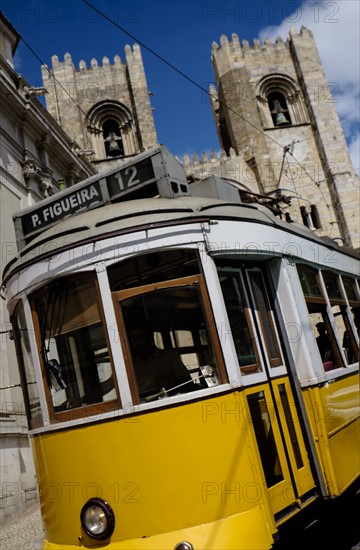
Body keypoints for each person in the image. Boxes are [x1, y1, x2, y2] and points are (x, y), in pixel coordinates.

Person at [128, 324, 194, 400]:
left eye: (140, 336)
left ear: (150, 337)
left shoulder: (169, 357)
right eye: (133, 338)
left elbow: (188, 383)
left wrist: (170, 383)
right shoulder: (130, 365)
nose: (136, 341)